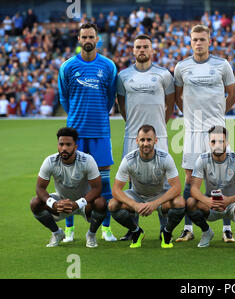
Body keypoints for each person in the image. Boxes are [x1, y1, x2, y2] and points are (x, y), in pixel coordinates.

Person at [174, 24, 235, 243]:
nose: (198, 43)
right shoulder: (182, 67)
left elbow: (233, 94)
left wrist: (218, 115)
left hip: (217, 131)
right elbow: (178, 96)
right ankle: (188, 228)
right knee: (190, 179)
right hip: (192, 131)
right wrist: (191, 117)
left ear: (210, 41)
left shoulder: (222, 65)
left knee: (223, 179)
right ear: (190, 42)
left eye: (202, 39)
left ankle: (226, 228)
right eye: (195, 40)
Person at [58, 23, 118, 243]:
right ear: (79, 39)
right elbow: (64, 97)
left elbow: (110, 98)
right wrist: (76, 115)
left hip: (100, 132)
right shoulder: (67, 67)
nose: (88, 40)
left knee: (103, 183)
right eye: (84, 36)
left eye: (91, 36)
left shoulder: (109, 66)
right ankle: (69, 230)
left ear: (97, 39)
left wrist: (98, 113)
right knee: (71, 182)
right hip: (75, 134)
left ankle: (106, 229)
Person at [116, 34, 175, 241]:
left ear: (152, 50)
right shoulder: (123, 75)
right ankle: (134, 229)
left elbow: (171, 101)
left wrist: (160, 124)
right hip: (132, 136)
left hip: (159, 136)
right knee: (132, 182)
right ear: (133, 51)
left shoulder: (164, 74)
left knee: (164, 181)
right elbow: (122, 104)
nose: (142, 50)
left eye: (145, 47)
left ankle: (164, 228)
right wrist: (133, 123)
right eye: (138, 47)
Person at [109, 125, 185, 248]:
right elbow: (116, 190)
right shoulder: (129, 160)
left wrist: (155, 203)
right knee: (112, 205)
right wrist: (135, 205)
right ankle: (136, 231)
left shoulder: (165, 158)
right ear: (136, 141)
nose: (145, 143)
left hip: (159, 195)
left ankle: (167, 232)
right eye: (142, 140)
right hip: (137, 196)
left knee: (180, 202)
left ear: (155, 141)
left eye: (149, 140)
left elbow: (177, 187)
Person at [30, 127, 107, 248]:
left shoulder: (87, 160)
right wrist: (53, 203)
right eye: (61, 144)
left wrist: (78, 204)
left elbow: (97, 188)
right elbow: (40, 188)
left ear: (75, 146)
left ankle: (91, 235)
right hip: (60, 201)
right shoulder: (50, 161)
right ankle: (57, 233)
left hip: (84, 203)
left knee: (101, 203)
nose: (64, 148)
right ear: (57, 145)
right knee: (35, 203)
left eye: (68, 144)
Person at [186, 126, 235, 248]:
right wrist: (207, 201)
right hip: (211, 204)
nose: (217, 145)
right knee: (190, 202)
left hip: (233, 205)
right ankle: (206, 232)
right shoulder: (202, 159)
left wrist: (229, 200)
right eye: (213, 141)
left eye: (221, 141)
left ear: (227, 142)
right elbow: (194, 189)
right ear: (209, 143)